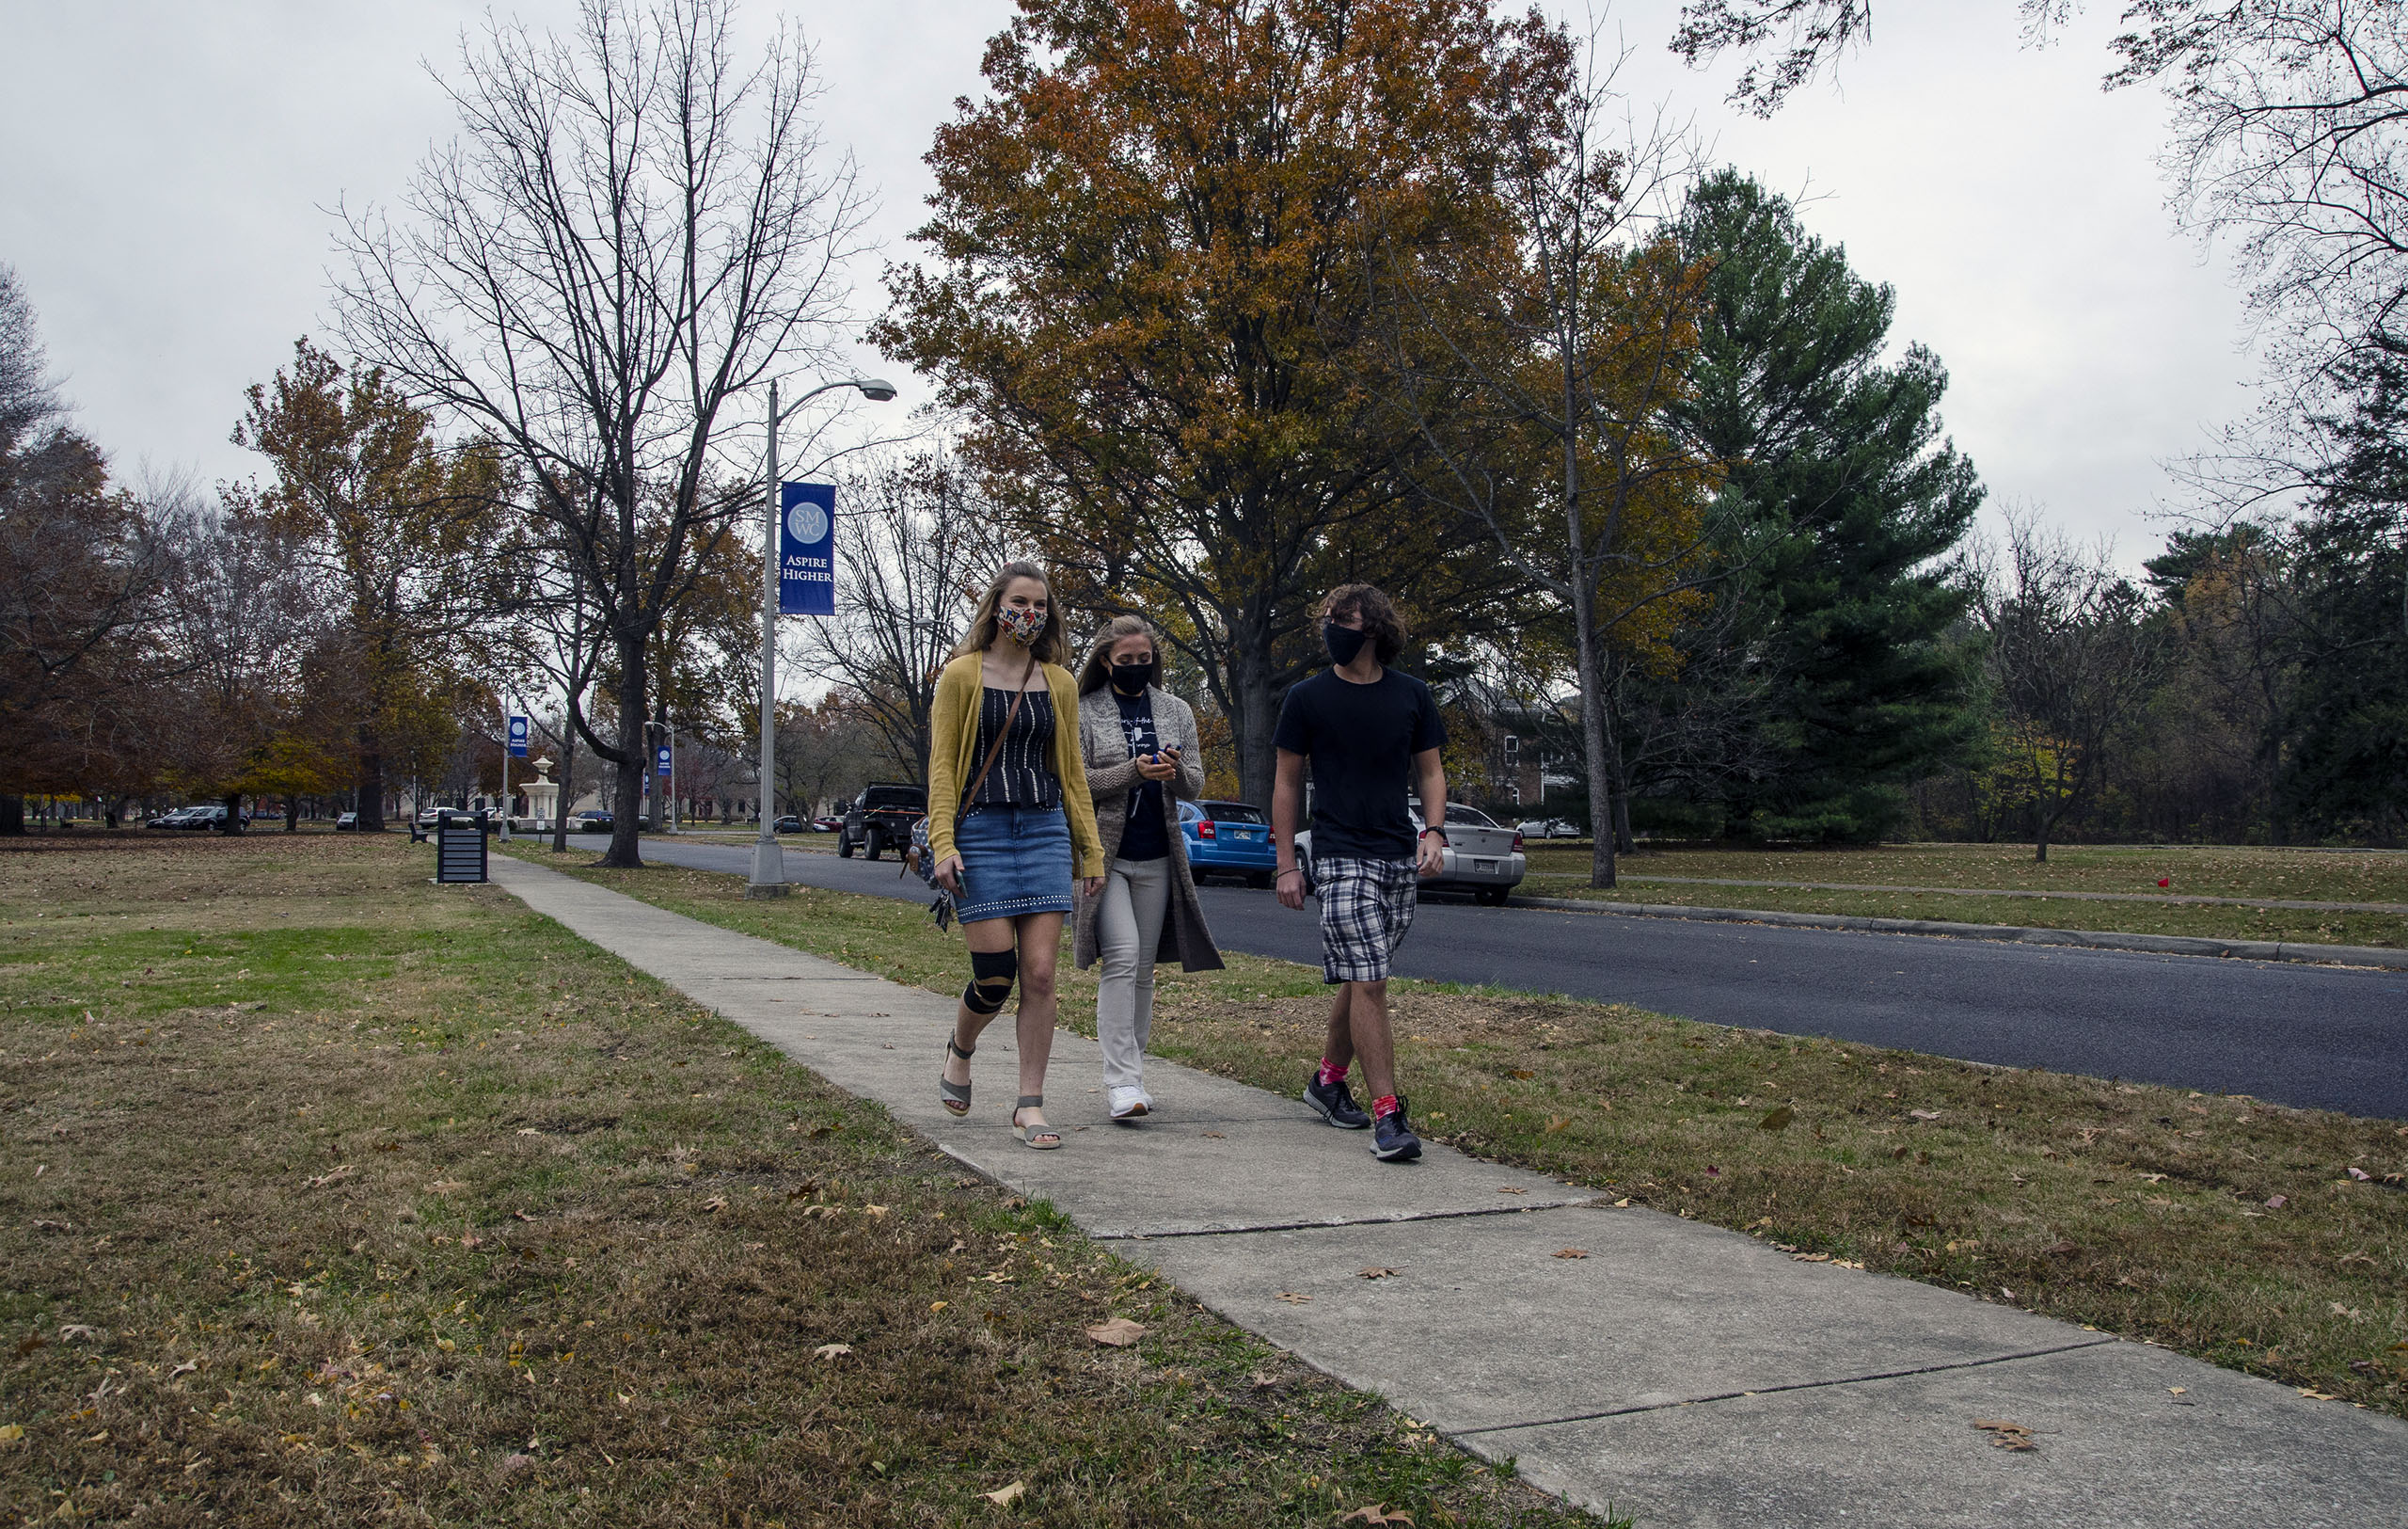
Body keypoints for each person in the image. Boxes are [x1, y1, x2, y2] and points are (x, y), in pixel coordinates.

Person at [927, 562, 1106, 1149]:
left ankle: (1030, 1103)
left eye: (1040, 605)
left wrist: (1092, 852)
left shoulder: (1059, 682)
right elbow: (942, 768)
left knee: (1041, 974)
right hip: (980, 834)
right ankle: (962, 1047)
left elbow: (1073, 775)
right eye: (1020, 601)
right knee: (996, 975)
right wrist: (944, 843)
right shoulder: (960, 676)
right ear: (997, 605)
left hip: (1045, 831)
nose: (1030, 613)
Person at [1272, 583, 1448, 1164]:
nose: (1332, 629)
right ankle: (1389, 1117)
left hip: (1398, 854)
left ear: (1373, 626)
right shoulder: (1305, 698)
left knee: (1360, 973)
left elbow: (1429, 773)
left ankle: (1327, 1079)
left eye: (1343, 619)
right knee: (1371, 980)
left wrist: (1434, 830)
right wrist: (1286, 864)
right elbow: (1287, 784)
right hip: (1339, 852)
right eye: (1327, 619)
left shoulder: (1413, 696)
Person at [1072, 615, 1225, 1121]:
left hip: (1158, 854)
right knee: (1123, 954)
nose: (1137, 667)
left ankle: (1132, 1074)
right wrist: (1132, 772)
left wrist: (1175, 769)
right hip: (1103, 855)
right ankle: (1120, 1082)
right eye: (1127, 660)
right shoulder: (1084, 710)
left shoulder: (1176, 710)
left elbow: (1195, 786)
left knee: (1141, 971)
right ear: (1105, 661)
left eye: (1146, 660)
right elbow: (1075, 783)